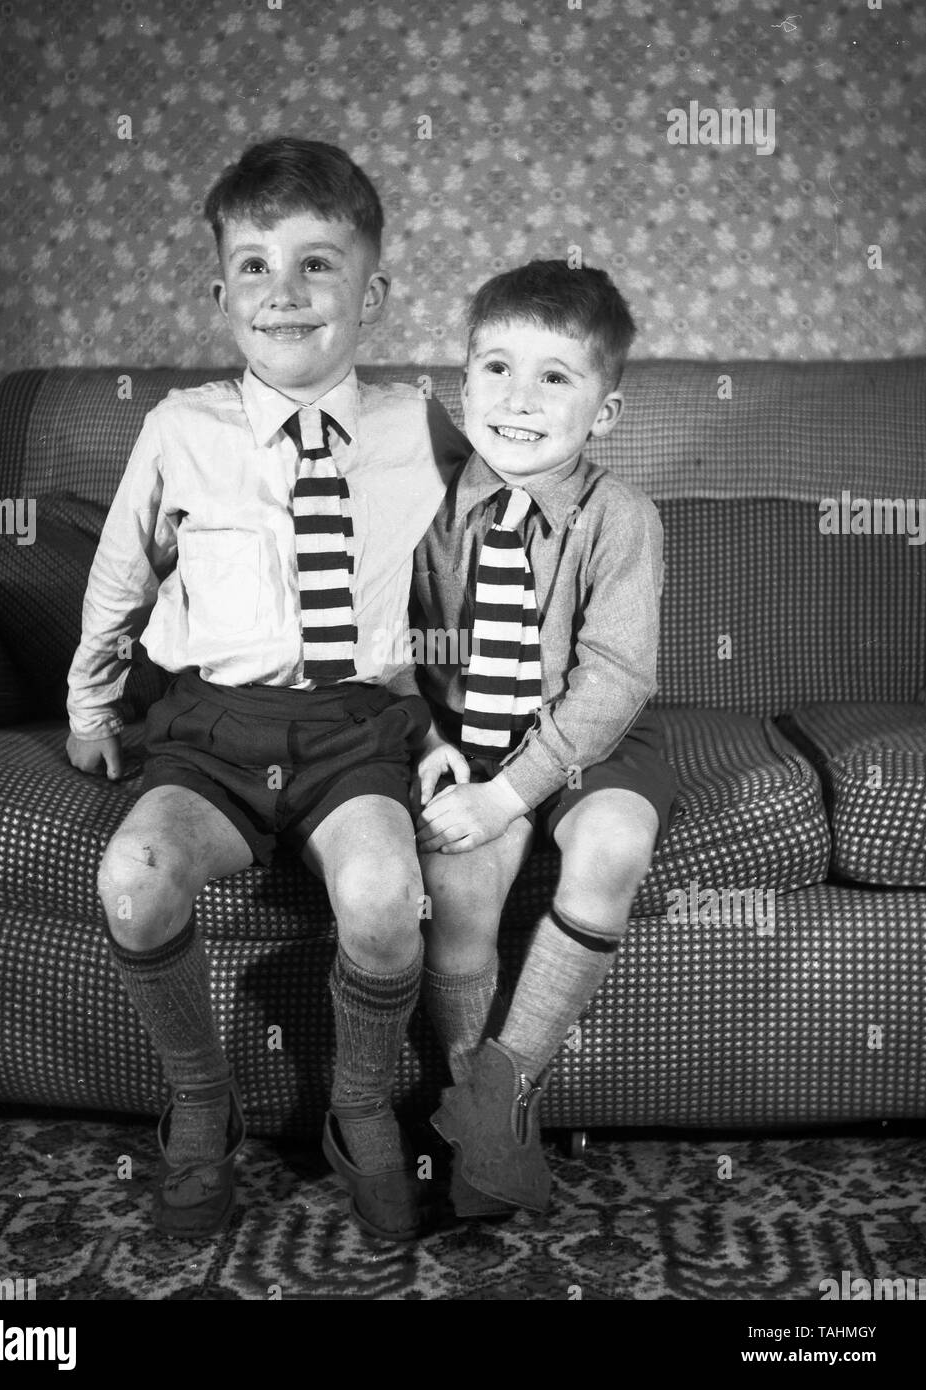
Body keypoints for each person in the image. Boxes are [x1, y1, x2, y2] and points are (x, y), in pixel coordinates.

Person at [66, 137, 465, 1241]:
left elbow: (471, 581)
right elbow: (120, 573)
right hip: (210, 734)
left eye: (316, 264)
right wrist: (93, 706)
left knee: (387, 899)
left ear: (372, 290)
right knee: (134, 878)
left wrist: (459, 729)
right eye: (253, 265)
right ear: (219, 291)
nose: (282, 293)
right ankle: (201, 1100)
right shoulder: (179, 431)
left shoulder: (422, 428)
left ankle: (360, 1105)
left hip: (354, 730)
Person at [409, 259, 678, 1216]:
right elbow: (382, 641)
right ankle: (471, 1100)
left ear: (603, 411)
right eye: (495, 369)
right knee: (453, 880)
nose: (517, 399)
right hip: (466, 738)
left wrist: (509, 794)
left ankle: (501, 1093)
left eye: (554, 377)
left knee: (613, 842)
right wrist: (423, 740)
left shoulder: (621, 518)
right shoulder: (424, 507)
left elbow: (616, 678)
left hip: (588, 742)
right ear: (461, 381)